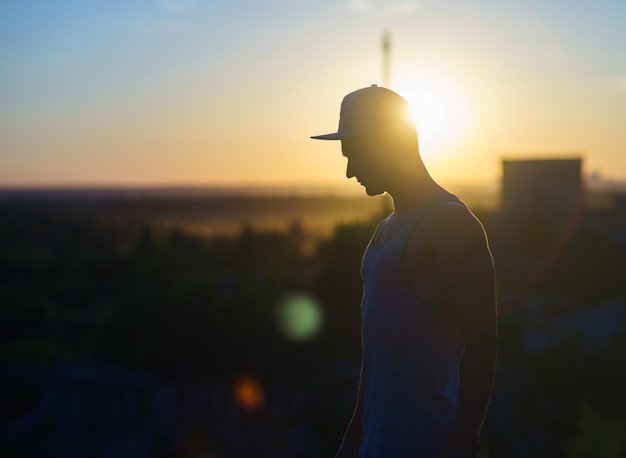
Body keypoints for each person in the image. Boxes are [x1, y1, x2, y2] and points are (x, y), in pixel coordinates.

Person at [311, 85, 497, 458]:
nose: (349, 172)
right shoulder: (385, 232)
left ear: (386, 144)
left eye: (355, 155)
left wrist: (461, 444)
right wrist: (351, 443)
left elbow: (483, 344)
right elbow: (378, 358)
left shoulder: (449, 223)